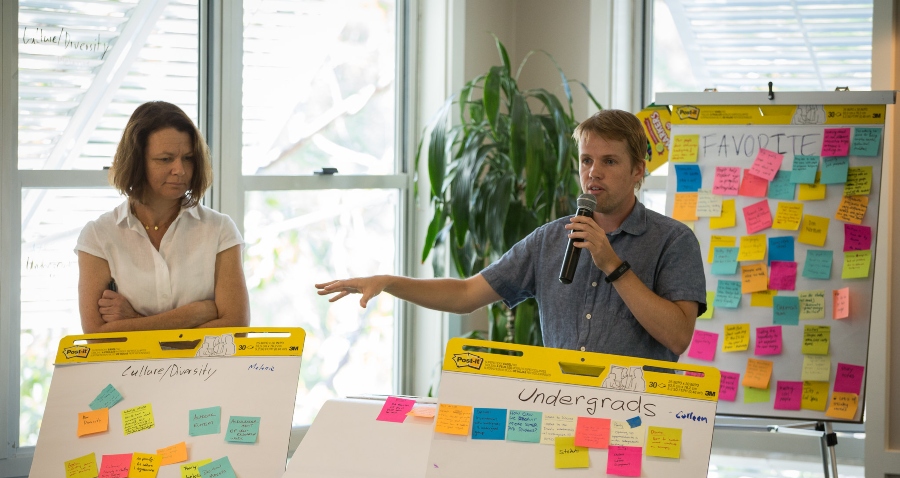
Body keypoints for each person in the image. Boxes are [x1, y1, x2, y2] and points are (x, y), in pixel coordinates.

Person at [316, 109, 706, 362]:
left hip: (636, 424)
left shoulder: (673, 240)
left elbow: (677, 336)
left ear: (638, 170)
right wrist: (389, 282)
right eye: (586, 160)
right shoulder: (550, 240)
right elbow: (466, 295)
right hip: (559, 419)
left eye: (609, 161)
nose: (593, 173)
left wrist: (612, 265)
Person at [76, 101, 250, 333]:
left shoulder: (220, 229)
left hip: (207, 371)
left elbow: (235, 327)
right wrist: (196, 313)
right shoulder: (98, 236)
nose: (180, 170)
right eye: (165, 159)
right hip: (126, 371)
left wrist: (133, 321)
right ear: (136, 162)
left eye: (188, 158)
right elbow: (97, 337)